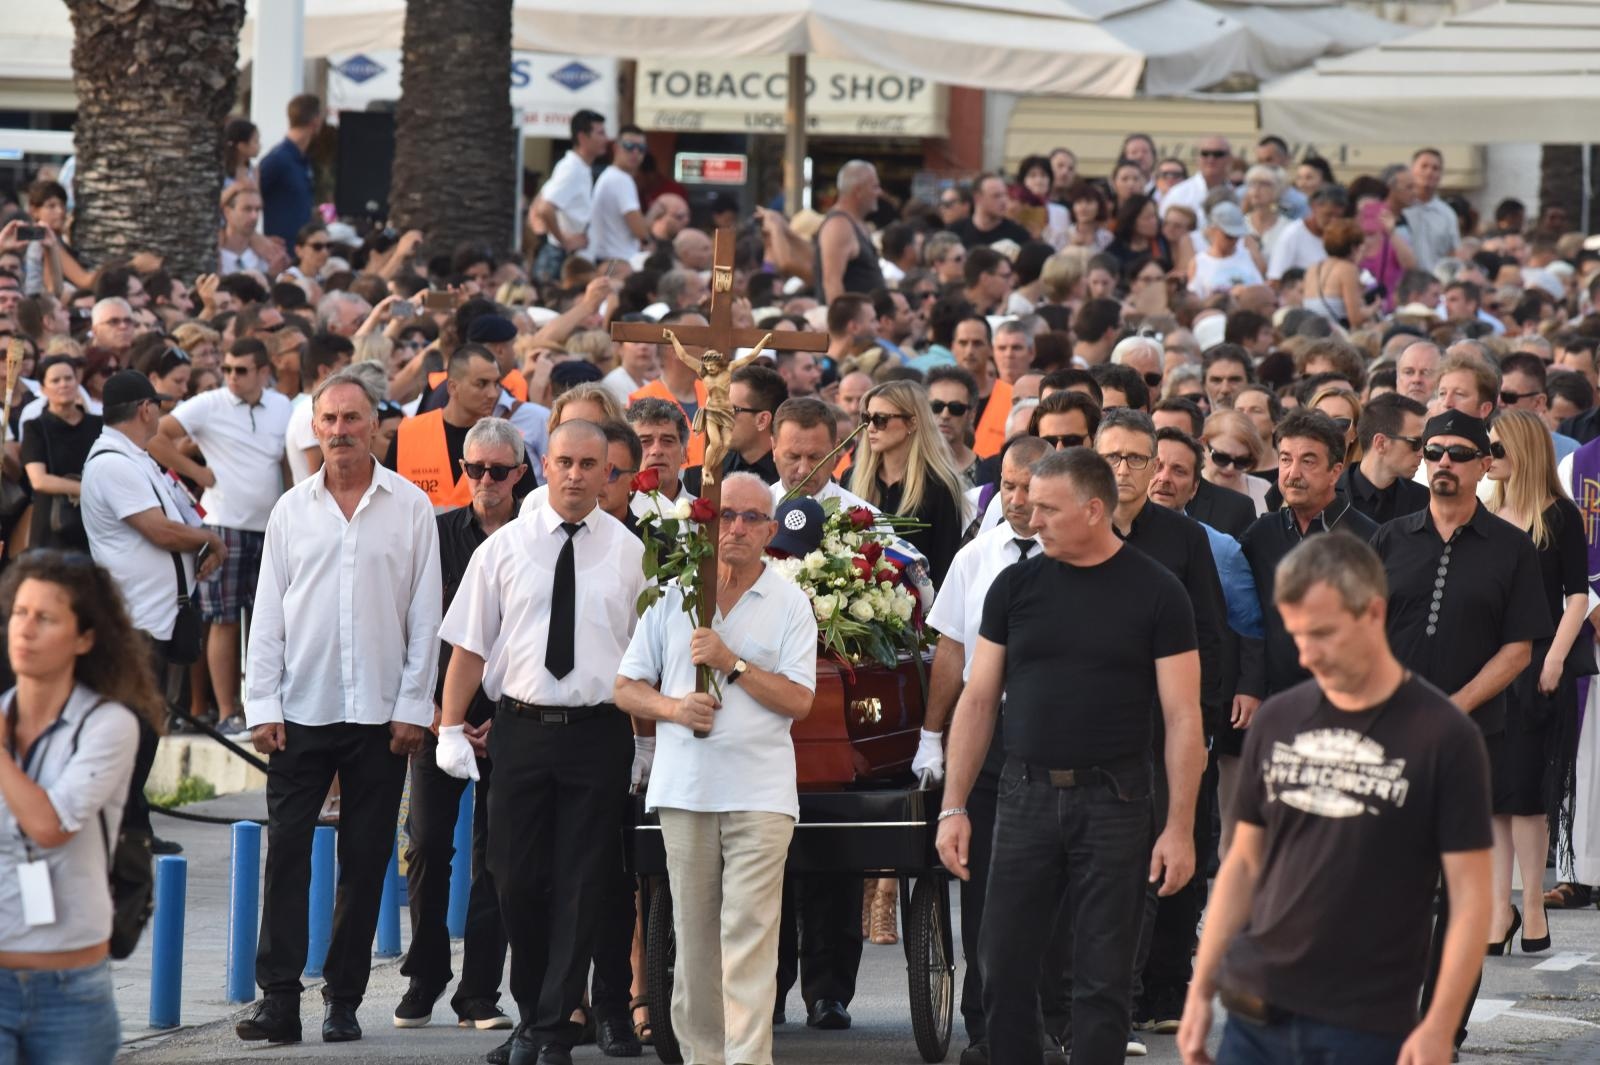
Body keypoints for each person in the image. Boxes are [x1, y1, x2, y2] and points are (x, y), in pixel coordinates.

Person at [1177, 535, 1494, 1065]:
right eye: (1297, 635)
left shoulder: (1443, 735)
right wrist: (1200, 991)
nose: (1306, 654)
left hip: (1366, 1024)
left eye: (1322, 634)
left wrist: (1439, 1024)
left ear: (1373, 612)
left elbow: (1471, 901)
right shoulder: (1276, 720)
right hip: (1255, 1011)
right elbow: (1242, 865)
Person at [938, 448, 1204, 1065]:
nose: (1031, 518)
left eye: (1048, 508)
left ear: (1093, 510)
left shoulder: (1158, 592)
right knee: (1002, 968)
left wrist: (1181, 828)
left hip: (1117, 802)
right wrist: (954, 805)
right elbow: (978, 701)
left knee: (1102, 980)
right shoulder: (1014, 584)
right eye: (1029, 504)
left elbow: (1184, 717)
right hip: (1022, 796)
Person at [237, 368, 442, 1046]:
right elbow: (267, 615)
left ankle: (345, 998)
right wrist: (261, 700)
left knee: (365, 857)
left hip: (382, 716)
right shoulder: (291, 509)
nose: (341, 431)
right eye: (329, 420)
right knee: (287, 852)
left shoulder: (411, 507)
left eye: (353, 419)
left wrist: (415, 704)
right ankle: (279, 999)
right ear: (316, 428)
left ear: (375, 425)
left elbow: (424, 615)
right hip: (301, 708)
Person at [435, 419, 644, 1065]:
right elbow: (469, 646)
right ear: (544, 465)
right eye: (565, 462)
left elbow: (648, 655)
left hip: (598, 731)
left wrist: (646, 740)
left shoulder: (630, 552)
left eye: (591, 463)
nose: (577, 474)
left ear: (609, 471)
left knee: (583, 879)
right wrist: (447, 725)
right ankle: (533, 1014)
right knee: (514, 878)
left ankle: (550, 1030)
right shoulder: (502, 549)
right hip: (519, 728)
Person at [615, 473, 818, 1065]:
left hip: (761, 794)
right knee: (696, 941)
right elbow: (626, 687)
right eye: (726, 514)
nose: (736, 528)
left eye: (752, 518)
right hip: (686, 792)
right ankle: (705, 1057)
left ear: (771, 532)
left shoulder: (789, 602)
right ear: (706, 521)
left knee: (749, 939)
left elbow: (801, 701)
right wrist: (675, 708)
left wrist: (732, 664)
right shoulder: (673, 591)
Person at [1370, 409, 1551, 1052]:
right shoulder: (1387, 539)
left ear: (1483, 463)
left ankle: (1442, 1024)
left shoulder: (1511, 548)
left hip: (1471, 745)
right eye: (1434, 451)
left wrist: (1454, 705)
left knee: (1459, 893)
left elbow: (1520, 648)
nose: (1443, 462)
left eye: (1458, 453)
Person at [0, 551, 166, 1065]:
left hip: (73, 992)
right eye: (19, 614)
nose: (25, 630)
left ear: (85, 638)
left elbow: (50, 826)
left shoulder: (109, 725)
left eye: (45, 618)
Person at [917, 436, 1051, 1064]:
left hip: (1056, 731)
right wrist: (930, 735)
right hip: (988, 733)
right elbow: (950, 651)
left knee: (1052, 887)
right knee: (985, 885)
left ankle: (1047, 1018)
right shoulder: (975, 557)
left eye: (1032, 487)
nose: (1020, 500)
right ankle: (983, 1021)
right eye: (1012, 487)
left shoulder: (1076, 556)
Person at [393, 419, 521, 1033]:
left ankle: (479, 991)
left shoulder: (534, 537)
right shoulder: (437, 533)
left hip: (511, 715)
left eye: (498, 470)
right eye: (475, 469)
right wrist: (436, 715)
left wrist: (503, 718)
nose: (486, 481)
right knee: (424, 847)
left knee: (495, 856)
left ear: (520, 472)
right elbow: (416, 626)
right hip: (441, 712)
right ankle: (425, 974)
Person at [81, 371, 226, 856]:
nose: (161, 413)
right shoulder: (113, 464)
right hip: (134, 620)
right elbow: (158, 532)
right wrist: (209, 539)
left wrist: (199, 540)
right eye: (158, 406)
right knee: (134, 731)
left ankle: (130, 826)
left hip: (154, 617)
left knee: (144, 728)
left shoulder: (134, 459)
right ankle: (125, 831)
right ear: (145, 408)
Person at [1482, 410, 1590, 957]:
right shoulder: (1488, 513)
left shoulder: (1561, 515)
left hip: (1542, 666)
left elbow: (1578, 595)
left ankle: (1533, 908)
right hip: (1495, 666)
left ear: (1522, 450)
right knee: (1496, 795)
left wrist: (1555, 659)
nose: (1488, 456)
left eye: (1496, 448)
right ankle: (1500, 911)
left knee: (1527, 794)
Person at [147, 338, 292, 735]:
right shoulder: (209, 402)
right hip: (223, 523)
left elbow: (287, 462)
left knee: (270, 622)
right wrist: (195, 473)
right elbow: (155, 434)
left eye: (241, 370)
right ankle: (228, 712)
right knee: (224, 620)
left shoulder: (282, 405)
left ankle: (262, 708)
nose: (231, 376)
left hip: (272, 526)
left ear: (264, 372)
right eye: (227, 368)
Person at [1239, 409, 1379, 703]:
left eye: (1308, 461)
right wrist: (1249, 685)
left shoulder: (1370, 539)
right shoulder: (1261, 534)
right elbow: (1246, 619)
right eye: (1286, 459)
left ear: (1335, 471)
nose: (1293, 473)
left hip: (1347, 700)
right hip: (1274, 702)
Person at [849, 381, 966, 587]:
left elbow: (944, 569)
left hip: (917, 609)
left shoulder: (940, 487)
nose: (871, 428)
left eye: (881, 419)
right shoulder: (852, 478)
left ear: (912, 423)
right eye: (867, 419)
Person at [390, 344, 503, 509]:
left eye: (496, 383)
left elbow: (524, 510)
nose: (493, 393)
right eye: (482, 384)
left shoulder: (505, 440)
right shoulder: (408, 433)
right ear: (452, 387)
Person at [20, 355, 102, 551]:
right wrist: (86, 490)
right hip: (52, 527)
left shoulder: (98, 424)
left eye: (68, 378)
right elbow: (39, 480)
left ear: (77, 381)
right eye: (55, 381)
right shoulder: (35, 427)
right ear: (42, 388)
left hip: (95, 523)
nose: (63, 385)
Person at [532, 110, 608, 282]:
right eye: (600, 133)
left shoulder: (578, 167)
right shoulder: (572, 168)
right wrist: (564, 241)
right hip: (558, 259)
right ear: (582, 137)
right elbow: (545, 208)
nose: (606, 139)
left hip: (563, 257)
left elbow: (540, 202)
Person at [1341, 392, 1429, 525]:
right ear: (1381, 443)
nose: (1422, 453)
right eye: (1416, 443)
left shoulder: (1425, 501)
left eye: (1425, 443)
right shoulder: (1327, 497)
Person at [815, 161, 886, 303]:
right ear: (858, 191)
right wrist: (841, 324)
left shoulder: (855, 224)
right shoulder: (838, 226)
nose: (879, 193)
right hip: (852, 323)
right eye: (875, 187)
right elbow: (832, 283)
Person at [257, 94, 322, 246]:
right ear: (315, 122)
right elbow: (252, 196)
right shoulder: (278, 160)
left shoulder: (301, 160)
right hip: (281, 251)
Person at [588, 124, 650, 264]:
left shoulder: (611, 176)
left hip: (610, 260)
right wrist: (658, 211)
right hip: (617, 262)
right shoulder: (621, 179)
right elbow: (640, 231)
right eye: (629, 146)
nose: (635, 152)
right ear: (616, 148)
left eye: (641, 149)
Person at [1301, 219, 1377, 329]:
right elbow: (1355, 319)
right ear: (1354, 247)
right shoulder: (1347, 269)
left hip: (1314, 329)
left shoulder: (1313, 268)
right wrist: (1373, 309)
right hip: (1334, 333)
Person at [1201, 410, 1272, 516]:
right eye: (1221, 458)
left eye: (1241, 461)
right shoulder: (1187, 488)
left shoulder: (1263, 490)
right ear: (1204, 444)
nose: (1230, 467)